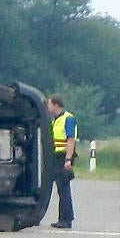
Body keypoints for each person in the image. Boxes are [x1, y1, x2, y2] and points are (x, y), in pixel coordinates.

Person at [47, 94, 77, 229]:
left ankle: (66, 219)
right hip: (57, 156)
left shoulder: (68, 119)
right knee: (61, 188)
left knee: (64, 188)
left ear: (55, 104)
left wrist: (68, 159)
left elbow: (70, 140)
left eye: (49, 104)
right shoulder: (56, 120)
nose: (48, 107)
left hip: (63, 157)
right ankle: (63, 218)